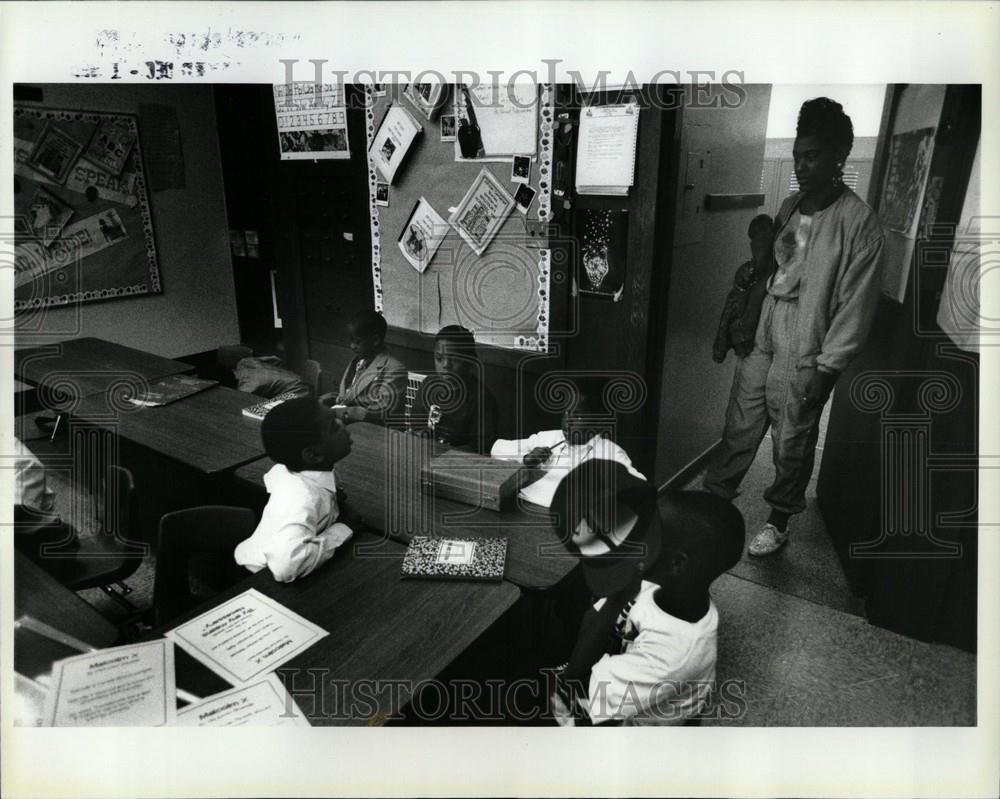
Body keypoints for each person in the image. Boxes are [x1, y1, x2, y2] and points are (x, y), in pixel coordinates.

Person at [703, 97, 885, 557]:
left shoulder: (858, 223)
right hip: (767, 323)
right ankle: (713, 501)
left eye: (812, 156)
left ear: (839, 156)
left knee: (793, 435)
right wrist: (752, 277)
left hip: (809, 336)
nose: (801, 166)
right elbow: (775, 268)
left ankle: (779, 519)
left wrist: (828, 371)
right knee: (741, 421)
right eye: (798, 155)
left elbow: (855, 307)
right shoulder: (788, 205)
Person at [550, 466, 745, 726]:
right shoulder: (666, 586)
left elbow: (574, 685)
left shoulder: (671, 656)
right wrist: (618, 595)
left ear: (676, 564)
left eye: (650, 534)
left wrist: (616, 599)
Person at [234, 397, 354, 582]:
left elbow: (274, 475)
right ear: (313, 455)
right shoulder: (303, 499)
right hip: (260, 578)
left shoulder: (293, 471)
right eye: (333, 427)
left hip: (276, 566)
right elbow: (286, 566)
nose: (342, 423)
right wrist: (343, 529)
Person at [490, 377, 645, 508]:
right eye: (566, 412)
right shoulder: (549, 438)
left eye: (578, 416)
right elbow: (497, 449)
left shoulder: (610, 453)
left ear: (599, 424)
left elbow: (638, 489)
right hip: (526, 506)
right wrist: (525, 459)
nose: (567, 421)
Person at [410, 325, 498, 454]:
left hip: (458, 462)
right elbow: (416, 424)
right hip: (425, 453)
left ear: (470, 360)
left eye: (455, 359)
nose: (445, 365)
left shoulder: (481, 399)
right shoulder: (428, 385)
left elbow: (481, 446)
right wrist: (421, 433)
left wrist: (445, 453)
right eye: (439, 358)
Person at [320, 309, 407, 425]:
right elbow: (349, 396)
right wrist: (327, 400)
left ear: (375, 340)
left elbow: (379, 413)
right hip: (352, 424)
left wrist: (337, 412)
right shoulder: (358, 361)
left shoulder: (395, 369)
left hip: (377, 433)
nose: (352, 347)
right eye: (351, 341)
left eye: (357, 342)